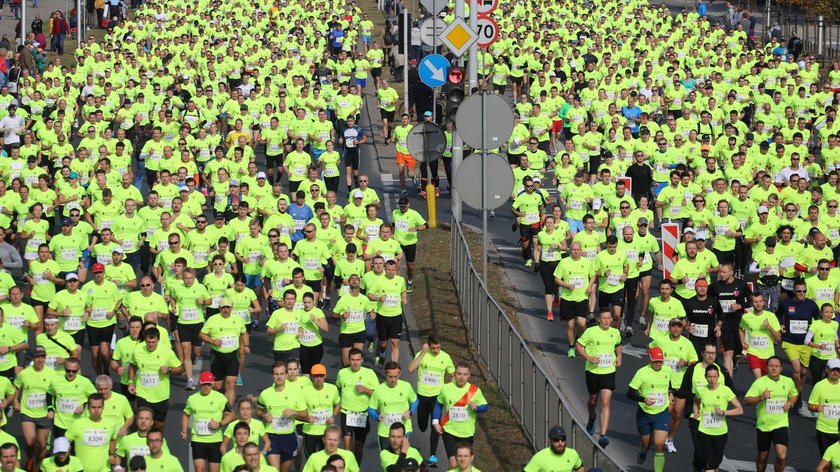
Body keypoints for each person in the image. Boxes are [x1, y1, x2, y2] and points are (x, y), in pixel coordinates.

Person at [576, 309, 621, 448]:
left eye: (609, 318)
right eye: (604, 318)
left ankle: (603, 434)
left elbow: (618, 345)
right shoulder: (591, 332)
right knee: (593, 400)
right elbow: (579, 346)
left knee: (605, 402)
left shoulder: (615, 332)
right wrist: (589, 358)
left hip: (609, 371)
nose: (607, 320)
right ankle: (591, 418)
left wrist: (619, 356)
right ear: (599, 319)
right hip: (593, 371)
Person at [744, 357, 797, 472]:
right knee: (763, 456)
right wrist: (761, 397)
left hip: (780, 424)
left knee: (781, 456)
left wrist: (791, 403)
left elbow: (794, 394)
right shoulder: (760, 382)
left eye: (776, 366)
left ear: (781, 368)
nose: (774, 368)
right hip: (764, 425)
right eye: (771, 366)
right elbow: (747, 400)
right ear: (767, 368)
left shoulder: (788, 381)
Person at [407, 336, 454, 468]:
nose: (435, 350)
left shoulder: (445, 357)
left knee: (435, 425)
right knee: (422, 426)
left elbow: (453, 374)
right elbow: (410, 369)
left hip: (437, 398)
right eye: (433, 348)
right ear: (428, 345)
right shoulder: (423, 354)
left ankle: (432, 455)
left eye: (438, 347)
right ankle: (422, 422)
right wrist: (422, 352)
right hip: (422, 396)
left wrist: (450, 390)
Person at [432, 362, 488, 469]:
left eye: (464, 374)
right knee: (453, 463)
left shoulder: (474, 391)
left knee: (463, 465)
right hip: (449, 431)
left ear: (469, 375)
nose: (461, 377)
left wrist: (477, 408)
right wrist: (435, 422)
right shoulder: (446, 388)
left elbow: (485, 407)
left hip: (467, 433)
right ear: (455, 374)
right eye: (459, 374)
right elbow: (438, 404)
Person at [627, 347, 674, 472]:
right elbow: (630, 394)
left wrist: (670, 395)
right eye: (655, 361)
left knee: (659, 444)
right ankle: (643, 452)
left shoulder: (668, 371)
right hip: (645, 414)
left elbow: (669, 386)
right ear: (650, 360)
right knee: (645, 445)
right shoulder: (641, 373)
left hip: (661, 413)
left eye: (660, 361)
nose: (658, 364)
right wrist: (644, 400)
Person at [692, 364, 743, 472]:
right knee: (710, 465)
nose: (712, 379)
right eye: (709, 377)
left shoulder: (725, 390)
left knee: (716, 463)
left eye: (714, 377)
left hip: (720, 432)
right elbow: (696, 400)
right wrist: (696, 410)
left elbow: (739, 410)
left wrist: (724, 412)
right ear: (706, 377)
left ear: (718, 376)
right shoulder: (701, 389)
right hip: (704, 431)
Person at [181, 371, 236, 472]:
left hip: (215, 440)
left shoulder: (220, 398)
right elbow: (186, 414)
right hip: (198, 439)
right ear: (199, 384)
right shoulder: (192, 399)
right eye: (204, 384)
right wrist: (184, 430)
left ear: (213, 384)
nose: (206, 387)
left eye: (209, 384)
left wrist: (220, 424)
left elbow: (232, 415)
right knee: (199, 469)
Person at [368, 361, 418, 451]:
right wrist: (377, 417)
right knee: (387, 462)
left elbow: (415, 401)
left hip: (403, 430)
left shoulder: (406, 386)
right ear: (385, 374)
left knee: (401, 460)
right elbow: (371, 408)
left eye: (395, 377)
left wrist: (410, 411)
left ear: (399, 374)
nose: (393, 380)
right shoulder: (379, 390)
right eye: (390, 377)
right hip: (385, 432)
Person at [66, 393, 118, 472]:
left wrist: (111, 453)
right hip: (82, 469)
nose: (96, 410)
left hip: (104, 469)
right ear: (88, 408)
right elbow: (65, 441)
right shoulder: (78, 424)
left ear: (103, 407)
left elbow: (112, 439)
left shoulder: (111, 424)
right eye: (93, 407)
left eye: (99, 407)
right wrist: (69, 461)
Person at [808, 357, 840, 456]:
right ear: (827, 370)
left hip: (839, 430)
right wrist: (817, 408)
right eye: (833, 369)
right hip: (823, 429)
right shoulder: (819, 386)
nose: (835, 372)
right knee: (826, 461)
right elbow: (810, 405)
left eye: (838, 370)